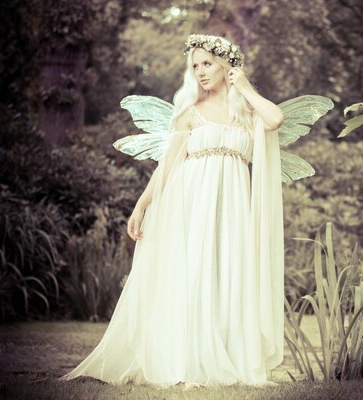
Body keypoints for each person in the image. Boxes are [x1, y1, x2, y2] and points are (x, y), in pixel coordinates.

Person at [59, 33, 285, 389]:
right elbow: (168, 165)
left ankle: (228, 357)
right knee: (192, 275)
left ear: (227, 65)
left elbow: (275, 119)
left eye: (207, 63)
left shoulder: (246, 111)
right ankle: (185, 362)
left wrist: (244, 87)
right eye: (194, 66)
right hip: (191, 201)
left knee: (227, 275)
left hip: (233, 208)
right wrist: (142, 205)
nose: (200, 72)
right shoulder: (189, 113)